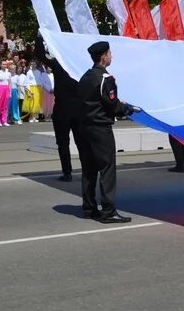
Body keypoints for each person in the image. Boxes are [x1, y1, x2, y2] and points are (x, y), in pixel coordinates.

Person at [75, 41, 139, 223]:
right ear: (103, 56)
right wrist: (128, 109)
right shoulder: (105, 79)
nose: (111, 56)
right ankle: (109, 211)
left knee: (88, 169)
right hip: (100, 129)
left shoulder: (86, 77)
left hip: (84, 128)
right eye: (110, 53)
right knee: (107, 168)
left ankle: (89, 208)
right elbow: (112, 105)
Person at [36, 36, 81, 183]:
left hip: (64, 108)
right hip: (76, 108)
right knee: (79, 142)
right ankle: (85, 171)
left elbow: (40, 55)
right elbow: (41, 56)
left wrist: (39, 39)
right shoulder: (77, 65)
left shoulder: (60, 64)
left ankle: (67, 173)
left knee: (64, 143)